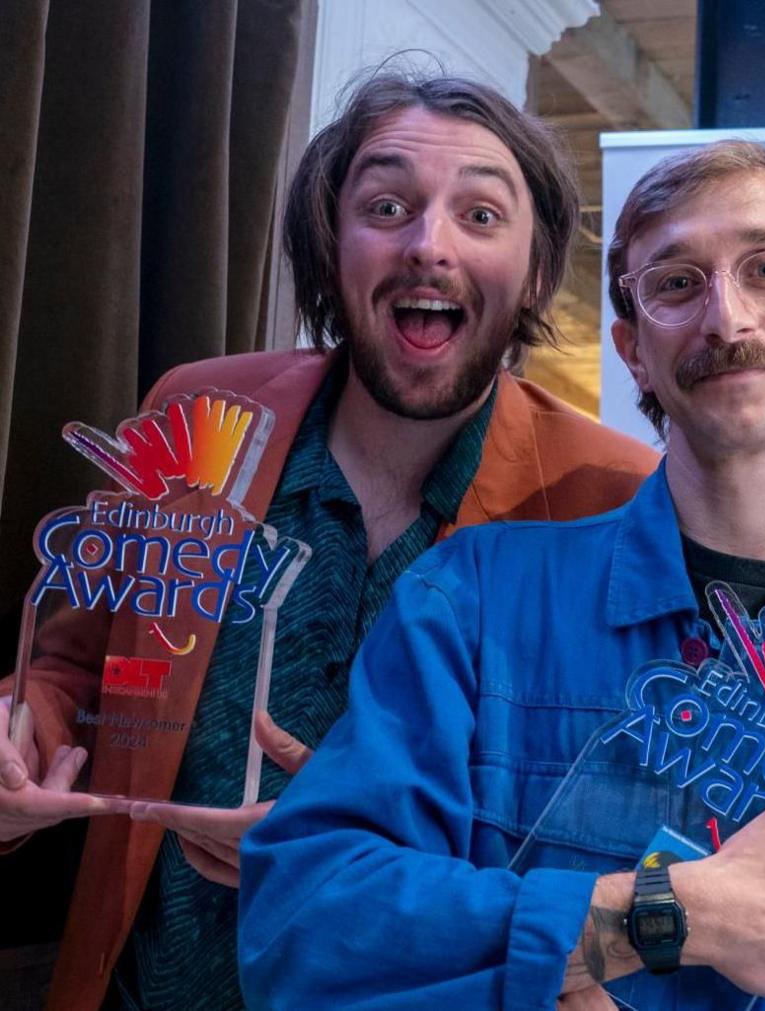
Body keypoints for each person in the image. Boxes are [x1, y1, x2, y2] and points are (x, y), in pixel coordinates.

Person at [238, 139, 765, 1010]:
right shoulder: (471, 601)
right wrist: (666, 915)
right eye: (675, 283)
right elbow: (307, 928)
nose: (727, 318)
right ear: (630, 349)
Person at [0, 72, 658, 1010]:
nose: (429, 244)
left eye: (480, 215)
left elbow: (600, 820)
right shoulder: (200, 412)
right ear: (327, 243)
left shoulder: (607, 495)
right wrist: (27, 729)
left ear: (537, 272)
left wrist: (347, 843)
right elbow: (79, 664)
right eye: (386, 205)